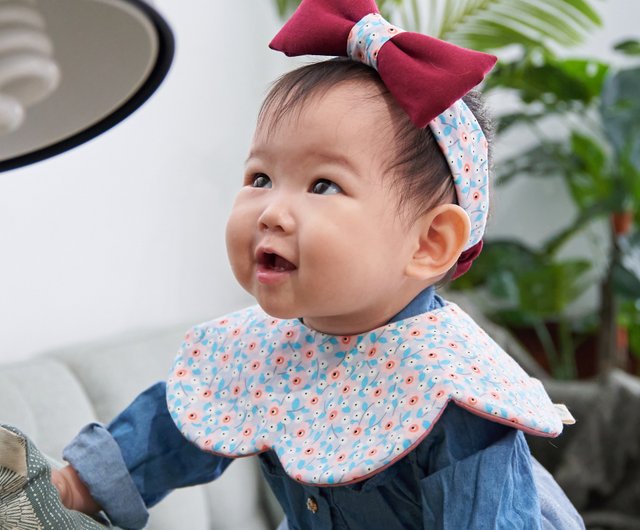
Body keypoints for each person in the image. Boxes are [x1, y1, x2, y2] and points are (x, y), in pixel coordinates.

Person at [51, 0, 584, 528]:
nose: (272, 212)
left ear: (429, 242)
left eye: (323, 184)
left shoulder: (451, 389)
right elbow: (175, 427)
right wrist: (75, 486)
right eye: (260, 178)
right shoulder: (254, 350)